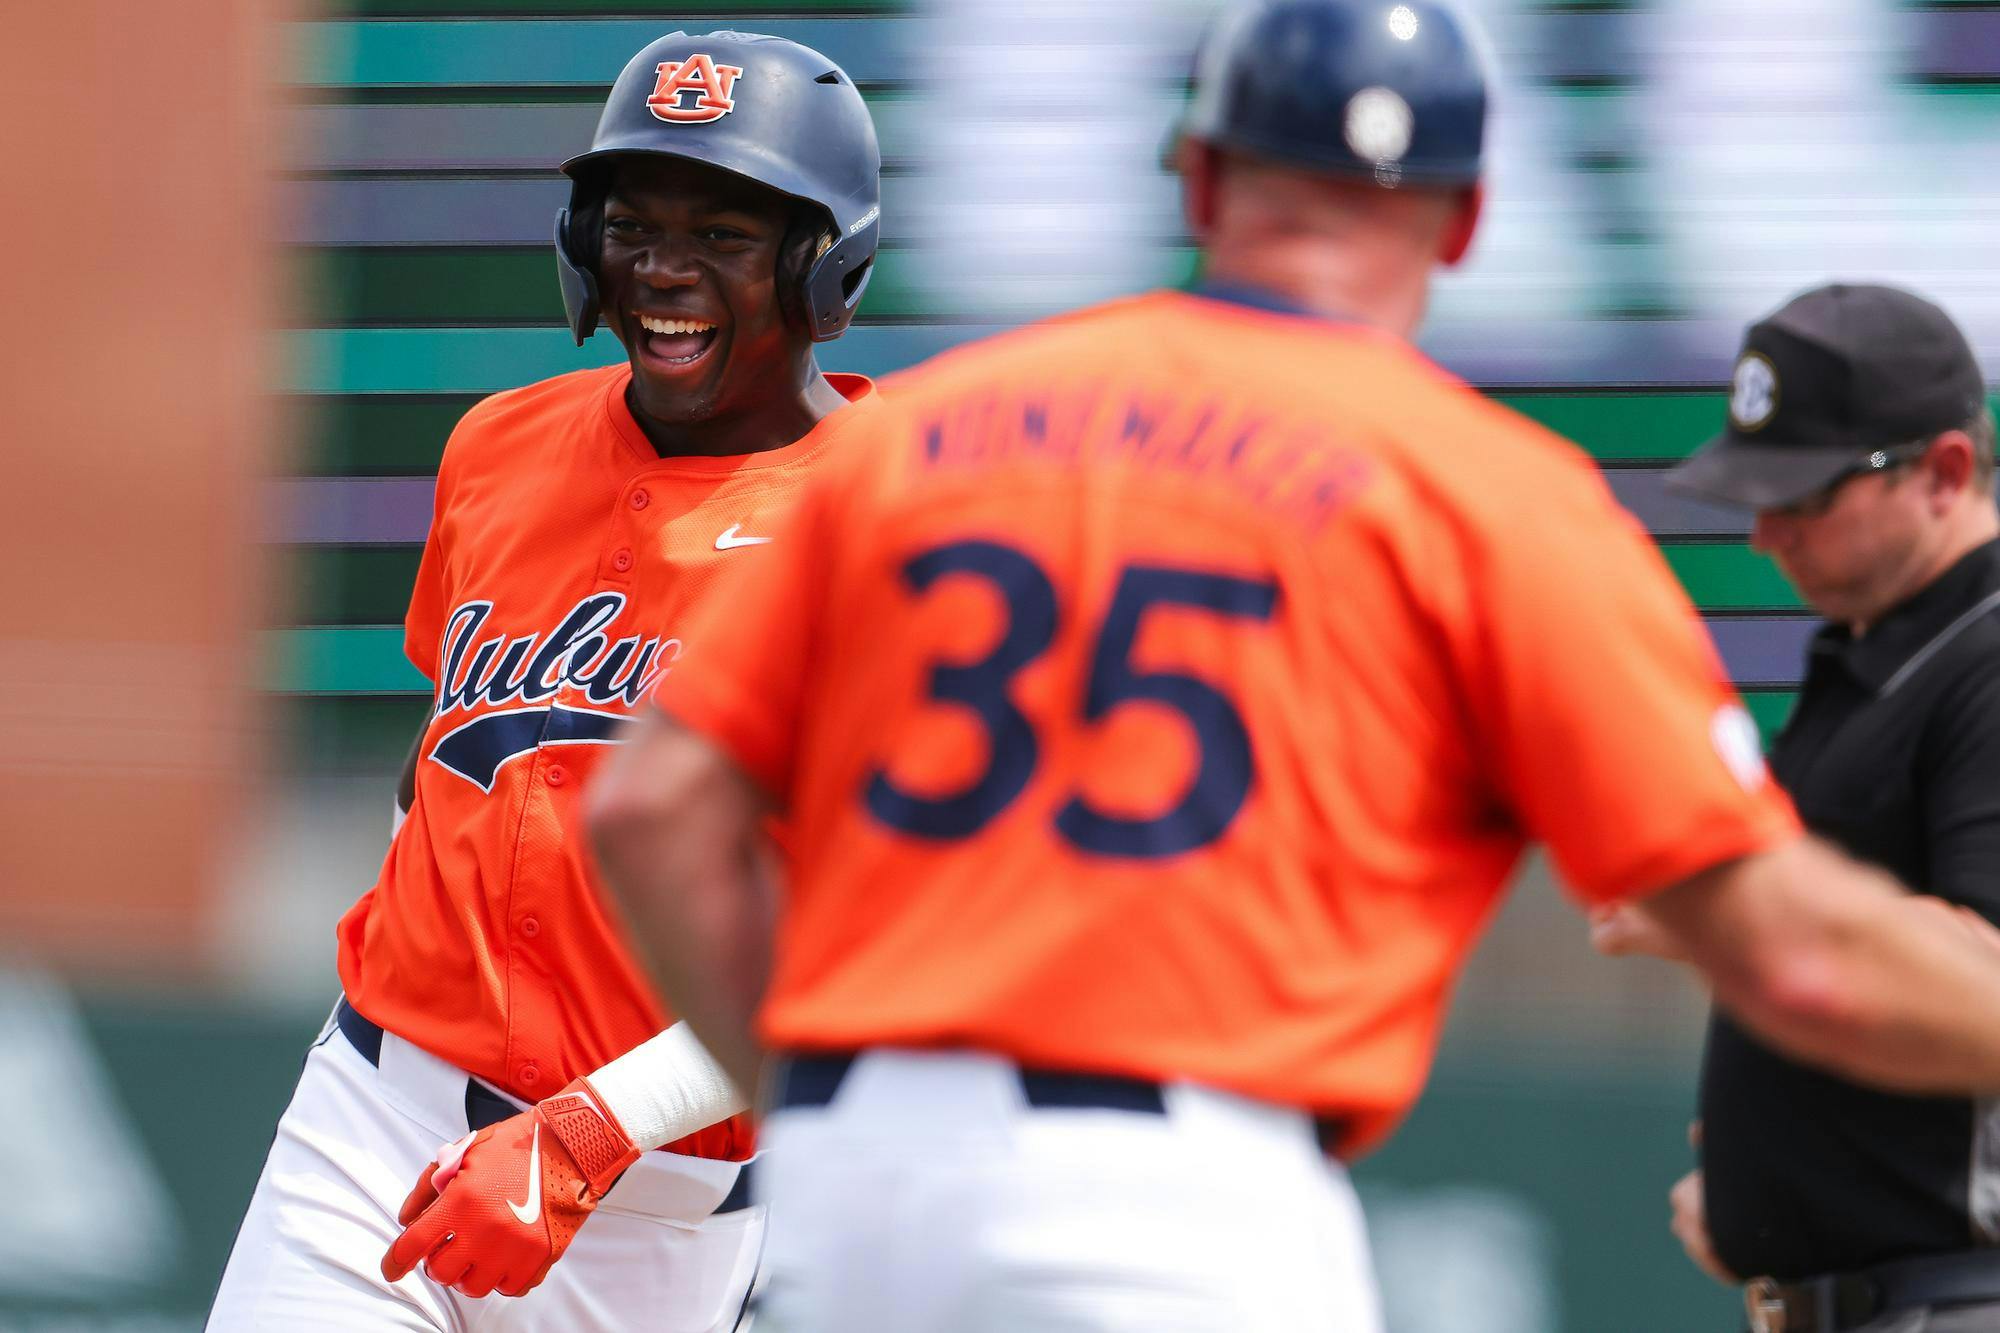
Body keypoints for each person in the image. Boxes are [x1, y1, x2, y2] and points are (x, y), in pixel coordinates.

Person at [590, 4, 2000, 1329]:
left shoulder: (923, 427)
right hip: (1177, 1197)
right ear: (1466, 222)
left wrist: (826, 1097)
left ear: (1201, 181)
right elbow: (1801, 955)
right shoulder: (1481, 489)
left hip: (853, 1178)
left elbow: (651, 813)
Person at [206, 30, 883, 1331]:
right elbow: (449, 754)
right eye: (631, 224)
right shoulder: (499, 443)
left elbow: (852, 930)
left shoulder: (894, 518)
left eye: (727, 234)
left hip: (663, 1205)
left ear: (822, 262)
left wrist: (582, 1129)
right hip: (375, 1122)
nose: (664, 272)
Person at [1654, 283, 2000, 1333]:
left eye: (1805, 495)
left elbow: (1983, 969)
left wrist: (1717, 892)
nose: (1764, 533)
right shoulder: (1871, 658)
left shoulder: (1984, 657)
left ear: (1943, 471)